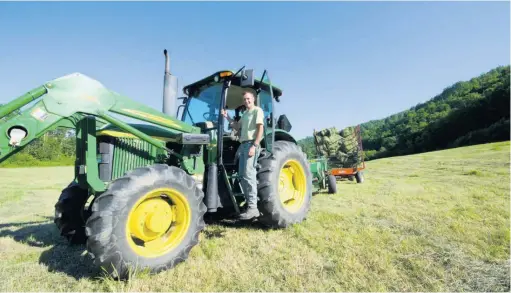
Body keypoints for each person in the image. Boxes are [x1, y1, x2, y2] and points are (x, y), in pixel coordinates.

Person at [221, 91, 264, 220]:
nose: (247, 101)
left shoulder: (257, 111)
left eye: (249, 99)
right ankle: (248, 205)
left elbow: (260, 128)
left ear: (253, 99)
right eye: (245, 99)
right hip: (243, 145)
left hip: (251, 144)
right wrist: (226, 116)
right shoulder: (245, 114)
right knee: (241, 176)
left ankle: (253, 208)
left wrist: (254, 145)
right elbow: (236, 127)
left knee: (248, 174)